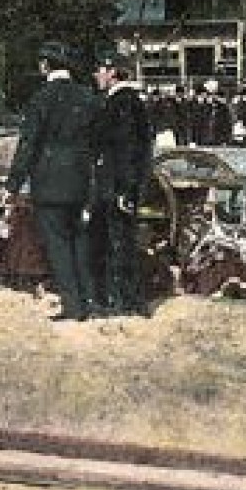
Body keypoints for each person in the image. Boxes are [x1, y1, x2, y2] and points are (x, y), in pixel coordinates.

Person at [3, 42, 102, 322]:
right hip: (82, 179)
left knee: (58, 244)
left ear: (45, 66)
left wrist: (12, 185)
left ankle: (73, 306)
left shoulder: (40, 99)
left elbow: (28, 146)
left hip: (49, 181)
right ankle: (90, 300)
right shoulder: (89, 98)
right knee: (80, 240)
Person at [89, 51, 155, 317]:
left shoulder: (122, 103)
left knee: (118, 242)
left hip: (116, 187)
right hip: (118, 185)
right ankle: (122, 299)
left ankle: (124, 301)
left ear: (112, 72)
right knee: (118, 241)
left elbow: (128, 150)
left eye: (100, 71)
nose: (96, 76)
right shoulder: (126, 101)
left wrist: (125, 190)